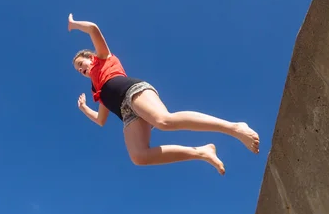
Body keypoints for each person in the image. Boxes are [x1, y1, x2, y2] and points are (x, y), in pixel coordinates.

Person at [68, 13, 260, 175]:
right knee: (139, 156)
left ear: (90, 57)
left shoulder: (103, 58)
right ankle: (202, 152)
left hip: (132, 92)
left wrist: (74, 24)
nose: (80, 70)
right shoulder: (97, 91)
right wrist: (84, 108)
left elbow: (93, 28)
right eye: (78, 70)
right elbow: (101, 120)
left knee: (164, 121)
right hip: (126, 113)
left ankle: (234, 128)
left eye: (80, 64)